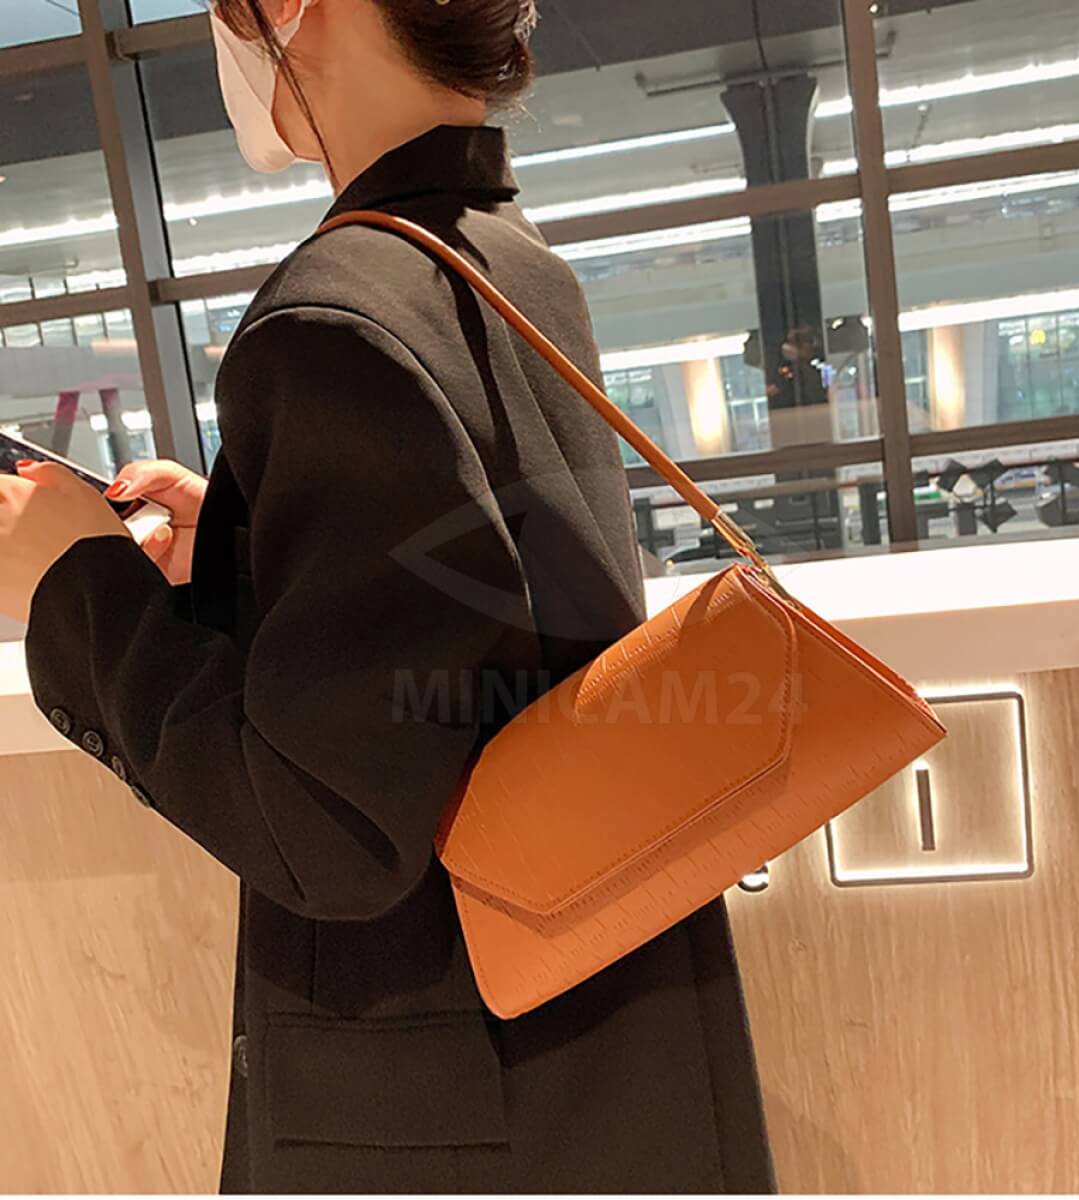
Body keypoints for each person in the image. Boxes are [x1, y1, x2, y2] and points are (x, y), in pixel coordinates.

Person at [0, 0, 776, 1192]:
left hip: (451, 1103)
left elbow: (328, 833)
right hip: (605, 1028)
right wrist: (252, 549)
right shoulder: (501, 260)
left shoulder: (335, 315)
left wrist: (75, 586)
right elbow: (487, 627)